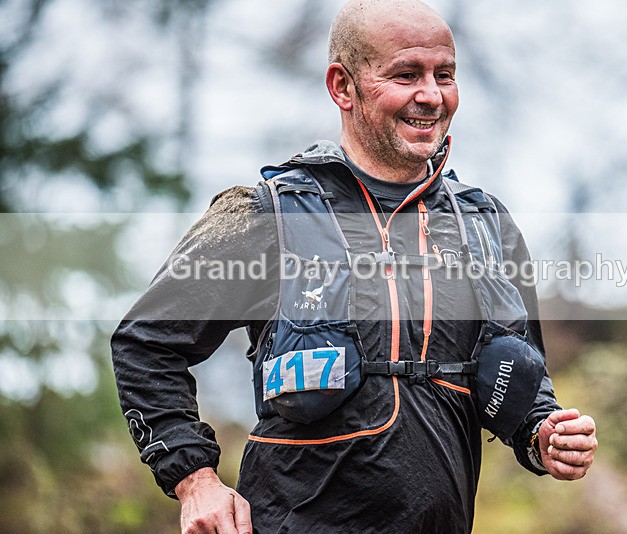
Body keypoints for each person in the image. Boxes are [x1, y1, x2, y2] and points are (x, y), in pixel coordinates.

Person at [111, 1, 598, 532]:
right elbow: (146, 345)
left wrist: (544, 433)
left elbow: (519, 378)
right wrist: (195, 480)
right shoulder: (265, 214)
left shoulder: (486, 225)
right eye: (406, 75)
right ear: (343, 87)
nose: (432, 95)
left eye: (445, 76)